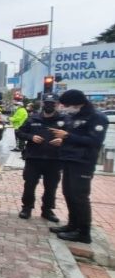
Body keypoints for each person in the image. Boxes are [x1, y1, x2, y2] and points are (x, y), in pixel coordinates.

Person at [48, 90, 108, 244]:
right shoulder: (74, 116)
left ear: (77, 103)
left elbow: (95, 141)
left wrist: (67, 136)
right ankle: (72, 225)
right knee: (68, 193)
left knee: (79, 196)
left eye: (67, 105)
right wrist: (63, 140)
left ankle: (83, 233)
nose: (65, 108)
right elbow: (74, 137)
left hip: (83, 162)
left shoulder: (97, 117)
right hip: (69, 159)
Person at [15, 94, 62, 222]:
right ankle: (27, 208)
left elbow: (70, 136)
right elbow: (19, 132)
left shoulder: (63, 120)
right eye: (47, 103)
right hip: (34, 158)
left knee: (51, 187)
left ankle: (47, 210)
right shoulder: (33, 118)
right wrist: (31, 137)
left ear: (56, 104)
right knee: (29, 184)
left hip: (54, 159)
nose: (49, 105)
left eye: (52, 103)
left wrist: (62, 140)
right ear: (43, 104)